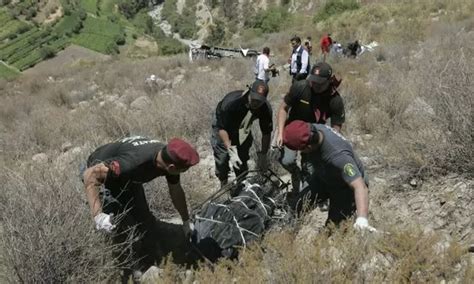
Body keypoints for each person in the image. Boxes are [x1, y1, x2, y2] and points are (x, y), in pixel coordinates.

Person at [82, 136, 199, 280]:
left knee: (145, 220)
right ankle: (127, 273)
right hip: (102, 174)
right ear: (172, 168)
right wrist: (98, 215)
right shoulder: (133, 163)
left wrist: (186, 220)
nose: (184, 172)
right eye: (185, 169)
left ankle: (150, 261)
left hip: (128, 178)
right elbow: (90, 175)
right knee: (117, 228)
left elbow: (175, 190)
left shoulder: (168, 156)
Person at [283, 120, 376, 231]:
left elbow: (360, 187)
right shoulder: (312, 129)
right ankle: (287, 237)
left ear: (308, 148)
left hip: (345, 187)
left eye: (299, 150)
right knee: (297, 206)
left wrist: (362, 220)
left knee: (333, 229)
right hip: (324, 176)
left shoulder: (338, 156)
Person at [275, 62, 345, 194]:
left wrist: (325, 147)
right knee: (286, 160)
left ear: (329, 81)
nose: (315, 85)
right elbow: (283, 108)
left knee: (311, 169)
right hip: (294, 130)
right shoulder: (300, 87)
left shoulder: (335, 100)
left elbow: (335, 129)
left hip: (314, 135)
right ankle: (296, 173)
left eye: (320, 83)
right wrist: (280, 132)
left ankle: (306, 195)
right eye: (313, 81)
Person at [211, 80, 273, 187]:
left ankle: (241, 183)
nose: (256, 103)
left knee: (242, 155)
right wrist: (231, 149)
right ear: (249, 92)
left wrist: (263, 154)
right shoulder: (232, 104)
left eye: (260, 101)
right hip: (223, 125)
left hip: (243, 127)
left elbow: (266, 133)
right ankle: (224, 183)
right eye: (254, 99)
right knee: (222, 158)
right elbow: (222, 128)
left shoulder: (264, 108)